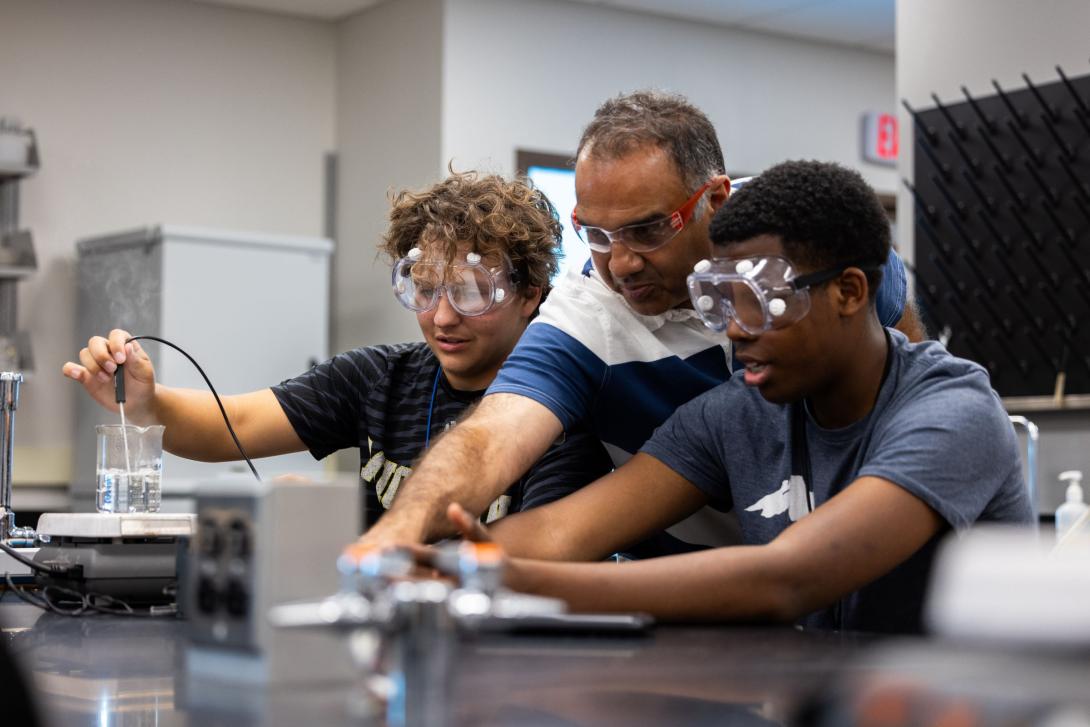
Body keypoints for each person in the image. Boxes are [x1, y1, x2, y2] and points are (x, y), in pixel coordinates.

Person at [443, 159, 1032, 634]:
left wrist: (511, 581)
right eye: (720, 297)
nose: (735, 327)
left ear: (849, 292)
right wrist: (436, 566)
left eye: (761, 297)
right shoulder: (739, 413)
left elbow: (789, 580)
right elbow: (560, 533)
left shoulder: (953, 411)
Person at [358, 91, 923, 554]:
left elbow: (905, 368)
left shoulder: (812, 240)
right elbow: (494, 443)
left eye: (649, 230)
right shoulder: (602, 328)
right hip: (714, 612)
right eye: (597, 235)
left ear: (715, 201)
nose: (621, 263)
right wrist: (398, 540)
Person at [62, 172, 613, 527]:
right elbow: (236, 424)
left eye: (470, 293)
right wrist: (148, 405)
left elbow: (529, 557)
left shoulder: (559, 411)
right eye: (424, 289)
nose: (442, 317)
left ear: (530, 294)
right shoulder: (377, 378)